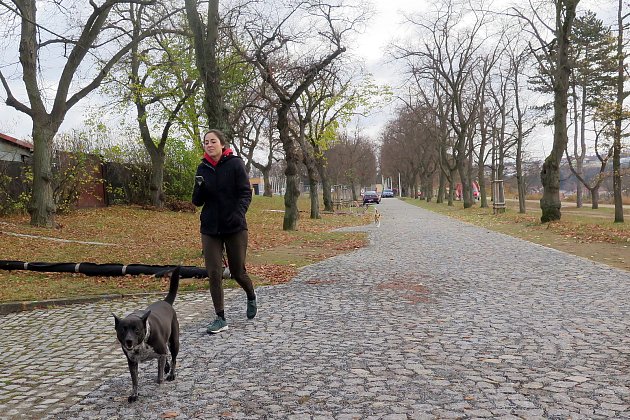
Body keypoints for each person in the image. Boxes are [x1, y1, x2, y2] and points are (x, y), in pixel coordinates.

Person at [192, 129, 257, 334]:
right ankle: (220, 317)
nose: (209, 145)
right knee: (214, 272)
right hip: (210, 228)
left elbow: (245, 193)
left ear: (222, 144)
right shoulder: (202, 168)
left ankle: (251, 295)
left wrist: (238, 214)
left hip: (234, 226)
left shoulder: (235, 164)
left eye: (213, 141)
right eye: (206, 142)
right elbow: (196, 201)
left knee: (237, 271)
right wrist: (199, 186)